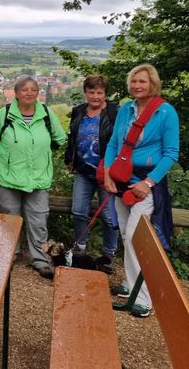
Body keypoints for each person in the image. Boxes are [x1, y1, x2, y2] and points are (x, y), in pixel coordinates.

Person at [103, 63, 179, 318]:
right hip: (121, 179)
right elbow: (114, 143)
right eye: (134, 81)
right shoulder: (126, 109)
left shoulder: (166, 113)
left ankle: (144, 299)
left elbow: (171, 154)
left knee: (138, 237)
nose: (137, 86)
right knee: (126, 235)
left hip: (146, 184)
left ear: (153, 84)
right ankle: (131, 283)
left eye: (142, 82)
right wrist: (107, 173)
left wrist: (149, 183)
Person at [0, 75, 66, 279]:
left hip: (38, 178)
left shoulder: (46, 114)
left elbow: (59, 138)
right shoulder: (6, 114)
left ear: (38, 93)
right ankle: (10, 254)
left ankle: (41, 259)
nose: (29, 93)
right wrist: (2, 152)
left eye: (33, 90)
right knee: (9, 219)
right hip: (10, 176)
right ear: (17, 93)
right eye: (24, 90)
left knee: (38, 221)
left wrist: (43, 155)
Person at [65, 74, 119, 272]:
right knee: (78, 210)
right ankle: (80, 247)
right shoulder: (78, 111)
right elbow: (72, 138)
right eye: (91, 92)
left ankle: (109, 253)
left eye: (99, 92)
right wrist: (69, 159)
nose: (95, 96)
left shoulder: (114, 113)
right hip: (83, 171)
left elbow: (121, 140)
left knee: (108, 216)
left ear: (105, 94)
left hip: (107, 172)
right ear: (85, 93)